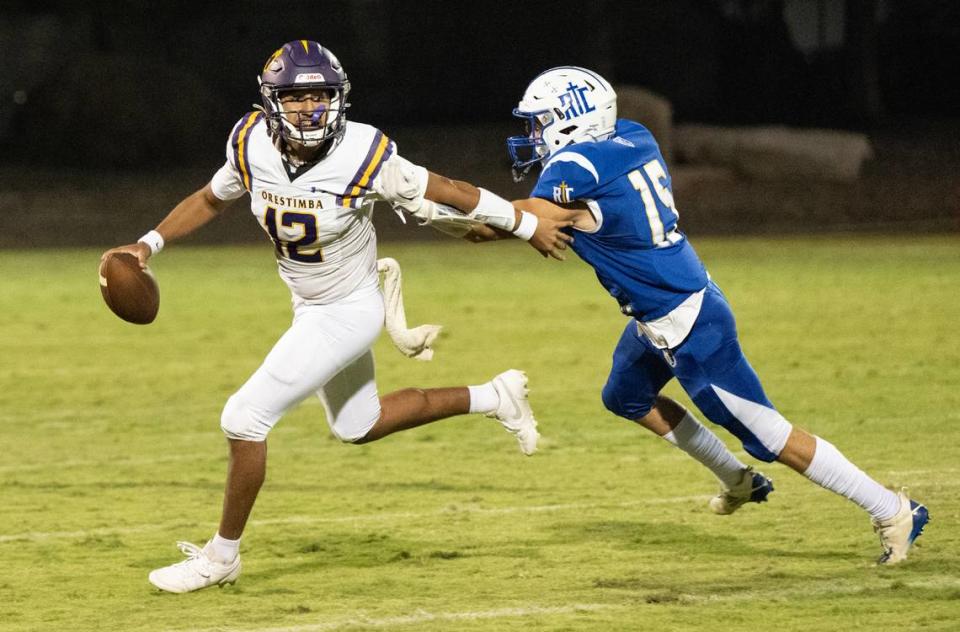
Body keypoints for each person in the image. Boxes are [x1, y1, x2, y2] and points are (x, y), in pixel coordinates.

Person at [406, 66, 929, 565]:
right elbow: (536, 217)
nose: (533, 135)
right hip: (675, 300)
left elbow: (501, 225)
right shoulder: (633, 135)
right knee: (625, 396)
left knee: (769, 435)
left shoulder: (574, 170)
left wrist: (433, 208)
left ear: (572, 119)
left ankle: (892, 509)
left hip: (685, 322)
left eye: (539, 122)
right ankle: (738, 481)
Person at [102, 40, 573, 594]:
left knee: (243, 419)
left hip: (346, 312)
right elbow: (211, 198)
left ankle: (220, 557)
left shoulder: (365, 153)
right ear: (271, 101)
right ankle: (494, 396)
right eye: (296, 97)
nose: (309, 109)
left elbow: (458, 192)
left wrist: (524, 226)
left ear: (338, 99)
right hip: (311, 303)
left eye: (320, 96)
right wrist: (148, 244)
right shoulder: (250, 140)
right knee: (358, 425)